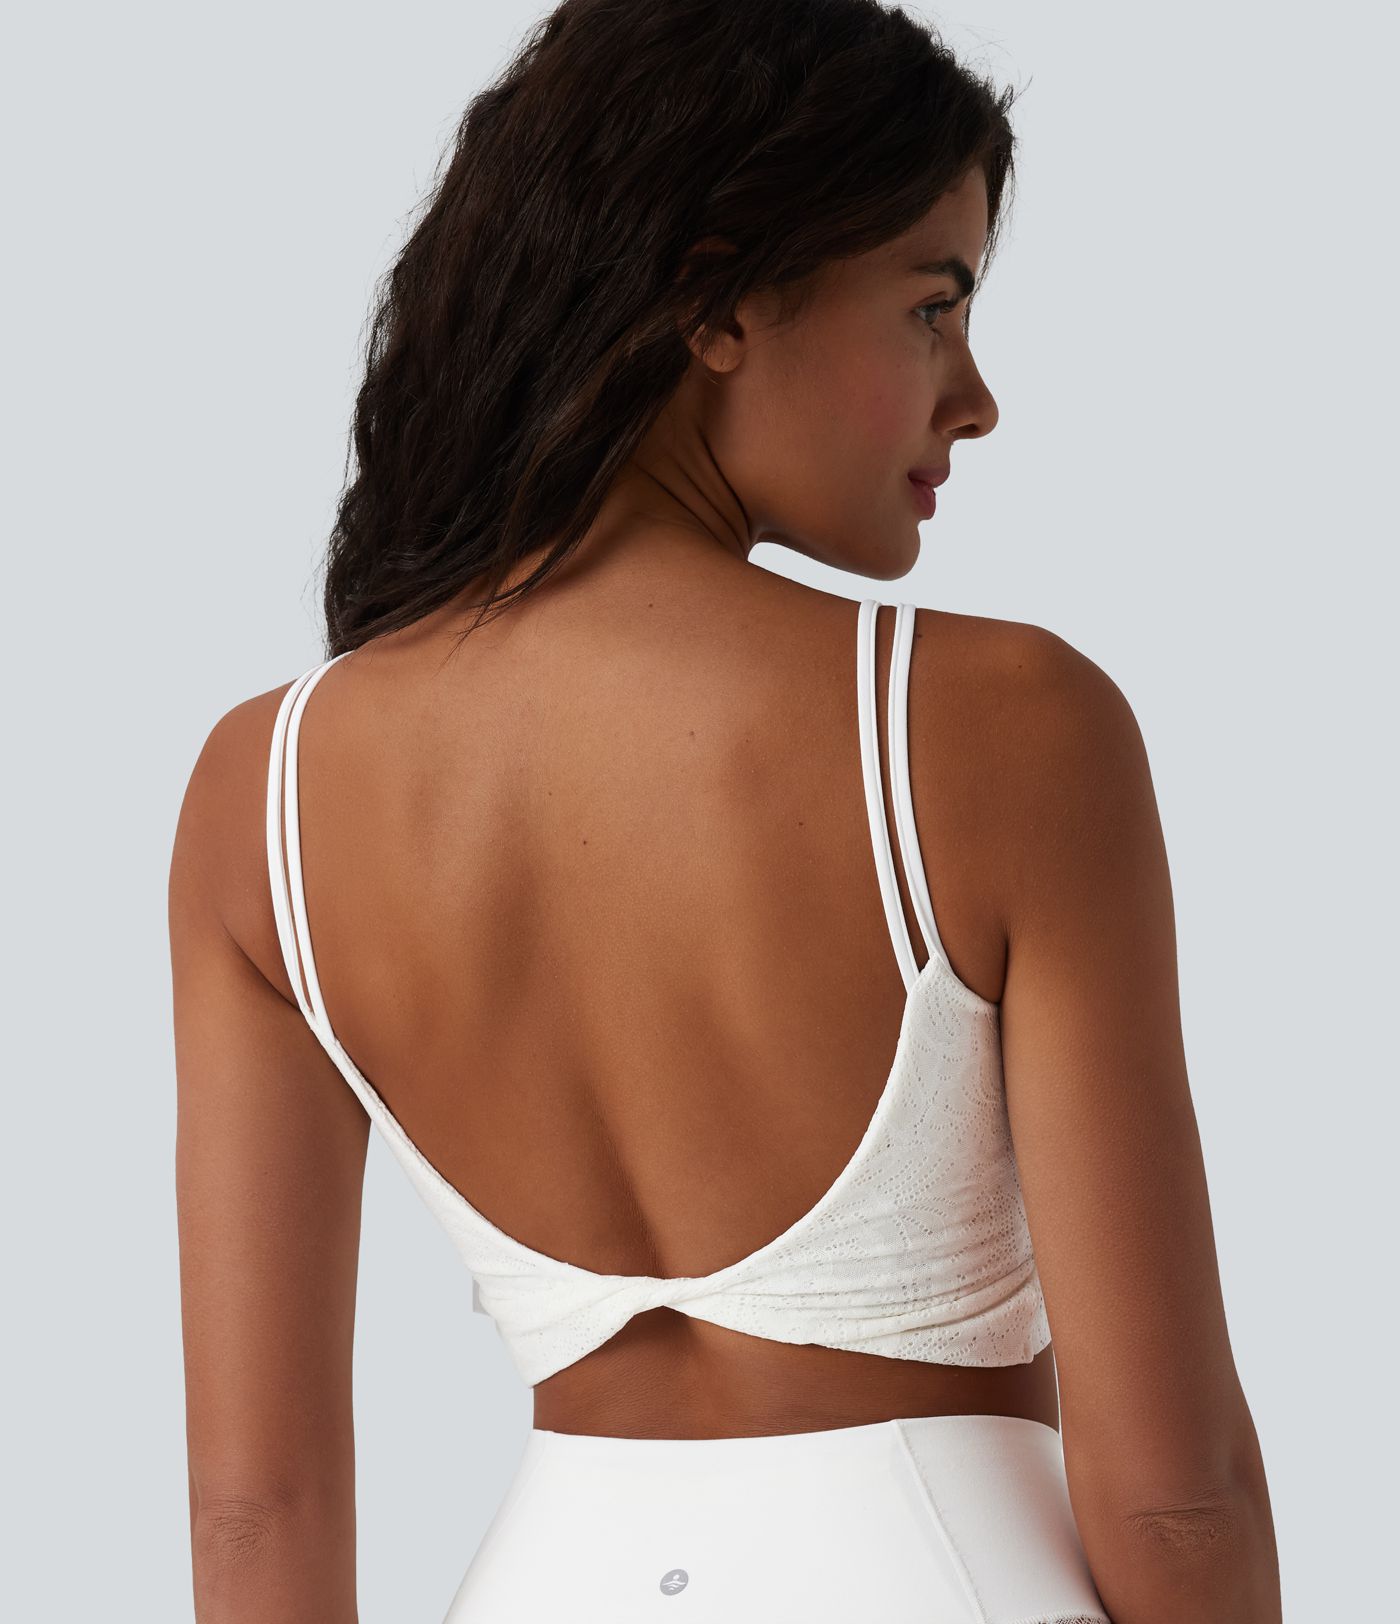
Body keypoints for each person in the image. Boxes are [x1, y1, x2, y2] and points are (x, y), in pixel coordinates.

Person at [168, 2, 1280, 1619]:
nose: (974, 397)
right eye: (932, 306)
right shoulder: (1005, 728)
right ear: (717, 301)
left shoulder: (261, 791)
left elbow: (253, 1517)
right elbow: (1176, 1498)